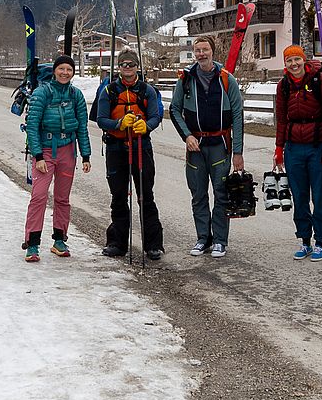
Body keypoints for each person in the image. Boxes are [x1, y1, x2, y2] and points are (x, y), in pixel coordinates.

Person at [170, 35, 245, 258]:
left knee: (222, 194)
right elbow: (174, 110)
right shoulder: (185, 79)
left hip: (220, 145)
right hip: (195, 148)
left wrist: (238, 152)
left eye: (205, 50)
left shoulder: (226, 79)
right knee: (198, 194)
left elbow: (237, 116)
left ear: (213, 52)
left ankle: (220, 241)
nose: (201, 54)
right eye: (197, 50)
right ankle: (203, 238)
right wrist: (186, 136)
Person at [95, 48, 165, 259]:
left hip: (141, 147)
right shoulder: (108, 91)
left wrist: (146, 126)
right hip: (116, 147)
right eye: (124, 64)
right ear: (119, 66)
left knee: (146, 195)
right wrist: (118, 123)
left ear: (137, 66)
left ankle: (153, 245)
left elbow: (155, 116)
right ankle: (117, 243)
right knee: (118, 196)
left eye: (131, 64)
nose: (128, 68)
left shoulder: (147, 91)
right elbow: (100, 119)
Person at [23, 54, 91, 262]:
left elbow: (82, 127)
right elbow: (32, 126)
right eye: (61, 69)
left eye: (69, 70)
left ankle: (59, 240)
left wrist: (85, 155)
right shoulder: (42, 93)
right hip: (45, 150)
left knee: (62, 198)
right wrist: (38, 156)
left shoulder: (76, 95)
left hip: (67, 151)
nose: (65, 73)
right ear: (54, 70)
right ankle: (32, 243)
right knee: (39, 196)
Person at [273, 45, 322, 262]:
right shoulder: (284, 86)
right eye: (289, 61)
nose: (294, 65)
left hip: (318, 147)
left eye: (297, 60)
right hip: (294, 148)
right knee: (299, 196)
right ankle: (304, 239)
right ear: (285, 64)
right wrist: (279, 149)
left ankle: (320, 241)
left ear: (304, 60)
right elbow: (281, 119)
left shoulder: (321, 81)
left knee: (319, 196)